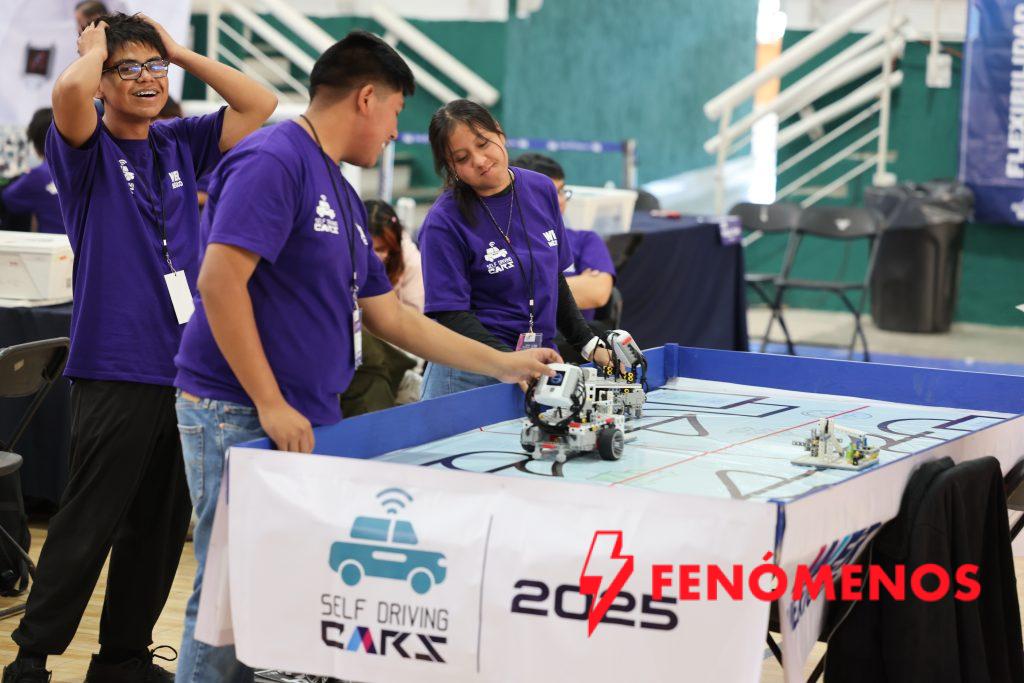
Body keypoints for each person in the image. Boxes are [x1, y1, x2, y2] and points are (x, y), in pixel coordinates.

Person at [172, 30, 558, 682]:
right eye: (397, 113)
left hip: (305, 413)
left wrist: (505, 364)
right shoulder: (274, 159)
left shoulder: (340, 187)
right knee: (230, 598)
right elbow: (219, 281)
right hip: (240, 409)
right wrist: (269, 401)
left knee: (270, 595)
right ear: (368, 97)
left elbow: (391, 316)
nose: (394, 131)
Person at [2, 12, 276, 683]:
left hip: (187, 369)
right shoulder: (85, 148)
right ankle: (32, 658)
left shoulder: (177, 141)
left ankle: (121, 659)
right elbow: (69, 93)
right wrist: (96, 49)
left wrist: (176, 50)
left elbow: (259, 103)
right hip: (116, 363)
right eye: (128, 69)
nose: (147, 78)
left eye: (155, 68)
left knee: (157, 527)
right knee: (88, 520)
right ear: (102, 81)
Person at [417, 100, 613, 399]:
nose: (479, 160)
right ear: (450, 166)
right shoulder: (443, 221)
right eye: (462, 158)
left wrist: (587, 341)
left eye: (483, 143)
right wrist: (506, 362)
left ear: (500, 133)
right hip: (469, 375)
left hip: (533, 365)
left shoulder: (541, 189)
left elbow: (553, 279)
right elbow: (451, 314)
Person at [511, 152, 615, 321]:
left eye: (561, 191)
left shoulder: (585, 240)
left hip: (575, 336)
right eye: (548, 192)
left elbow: (597, 293)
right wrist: (577, 282)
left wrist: (529, 291)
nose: (559, 200)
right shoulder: (502, 243)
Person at [1, 108, 64, 233]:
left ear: (34, 145)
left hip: (52, 243)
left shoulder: (36, 176)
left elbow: (8, 198)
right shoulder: (90, 170)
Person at [366, 198, 423, 311]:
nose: (376, 256)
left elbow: (413, 314)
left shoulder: (412, 263)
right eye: (369, 250)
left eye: (381, 249)